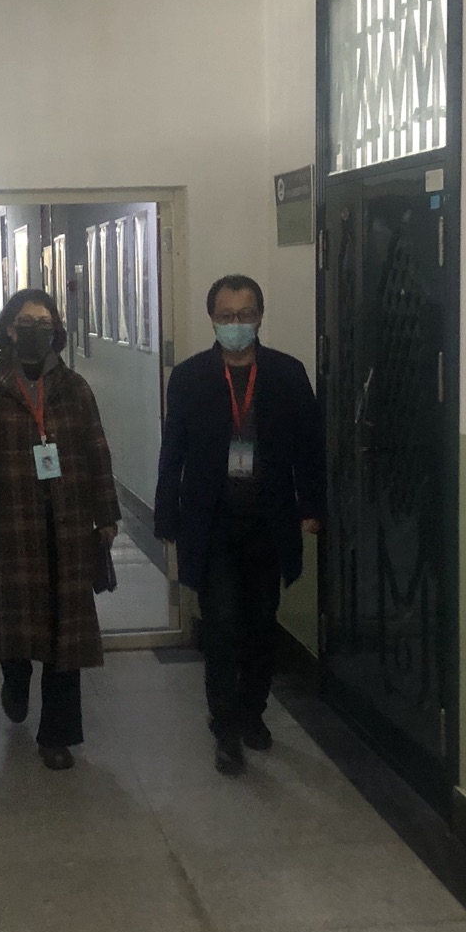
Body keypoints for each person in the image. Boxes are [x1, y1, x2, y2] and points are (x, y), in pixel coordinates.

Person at [154, 275, 324, 776]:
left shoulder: (288, 374)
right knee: (222, 624)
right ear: (212, 319)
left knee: (261, 623)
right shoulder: (190, 377)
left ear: (260, 317)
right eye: (226, 316)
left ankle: (253, 710)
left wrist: (313, 506)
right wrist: (166, 513)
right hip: (212, 523)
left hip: (269, 521)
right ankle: (225, 726)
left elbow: (310, 448)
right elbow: (173, 450)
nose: (236, 324)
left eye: (245, 315)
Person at [0, 288, 121, 770]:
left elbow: (96, 452)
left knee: (67, 633)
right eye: (26, 323)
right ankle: (15, 675)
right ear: (8, 329)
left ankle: (56, 736)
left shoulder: (74, 387)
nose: (35, 331)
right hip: (10, 527)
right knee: (14, 621)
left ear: (56, 332)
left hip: (68, 527)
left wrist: (106, 515)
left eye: (45, 324)